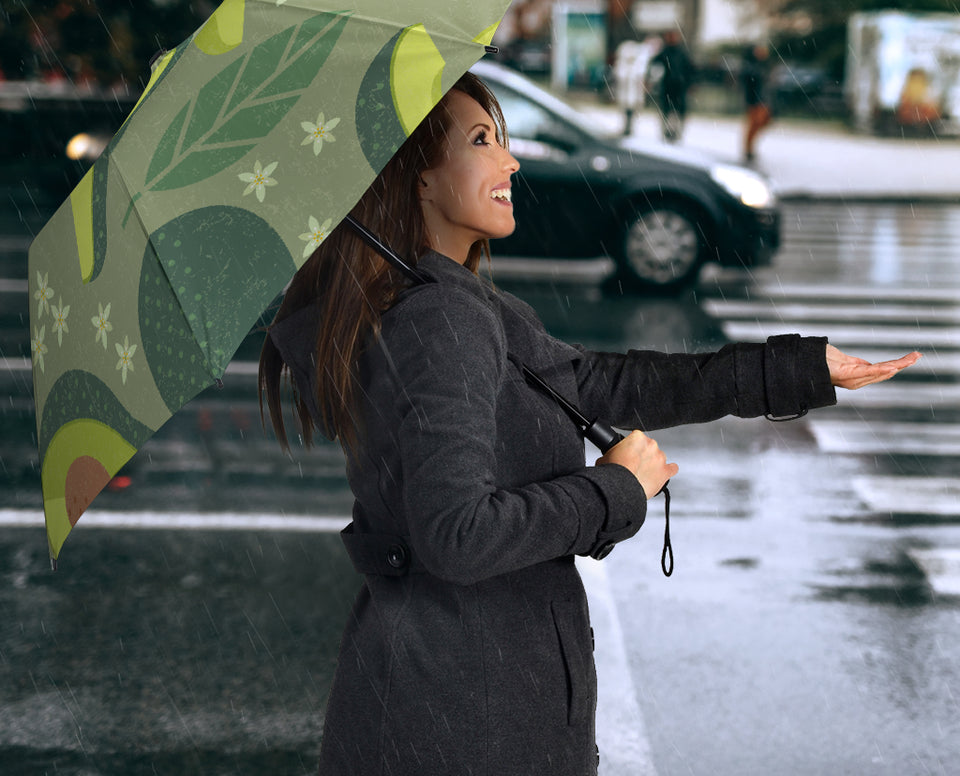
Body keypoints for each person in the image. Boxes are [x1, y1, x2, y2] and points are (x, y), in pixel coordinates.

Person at [258, 72, 919, 776]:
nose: (511, 161)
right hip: (466, 719)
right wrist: (614, 489)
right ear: (416, 178)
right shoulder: (440, 320)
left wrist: (796, 370)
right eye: (483, 141)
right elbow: (456, 535)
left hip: (453, 699)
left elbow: (603, 383)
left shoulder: (449, 304)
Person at [648, 29, 695, 143]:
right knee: (667, 110)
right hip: (668, 86)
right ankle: (667, 131)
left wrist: (690, 83)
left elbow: (690, 69)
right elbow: (654, 65)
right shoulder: (665, 52)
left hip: (679, 87)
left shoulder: (681, 53)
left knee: (677, 111)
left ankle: (675, 132)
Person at [741, 42, 773, 163]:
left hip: (763, 99)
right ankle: (748, 149)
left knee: (762, 122)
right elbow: (750, 81)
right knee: (754, 124)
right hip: (755, 100)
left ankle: (750, 147)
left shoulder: (763, 65)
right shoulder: (751, 66)